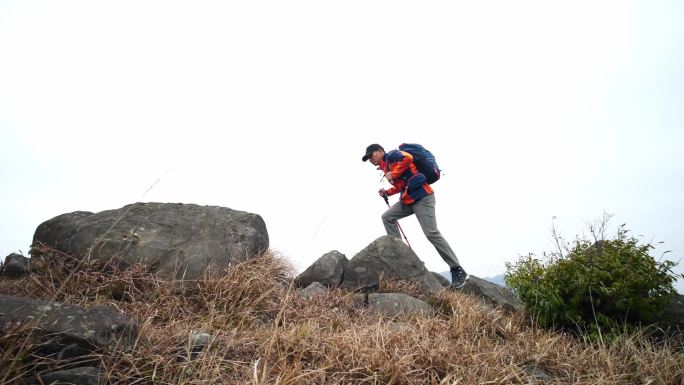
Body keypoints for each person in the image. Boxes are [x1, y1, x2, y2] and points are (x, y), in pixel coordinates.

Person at [362, 143, 469, 289]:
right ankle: (400, 252)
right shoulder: (386, 167)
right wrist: (387, 192)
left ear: (380, 151)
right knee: (387, 217)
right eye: (368, 158)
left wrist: (393, 174)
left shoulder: (392, 155)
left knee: (431, 233)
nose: (370, 159)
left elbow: (408, 157)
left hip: (423, 197)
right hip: (408, 199)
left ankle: (457, 269)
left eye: (371, 155)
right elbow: (401, 185)